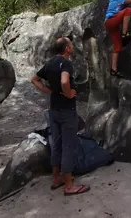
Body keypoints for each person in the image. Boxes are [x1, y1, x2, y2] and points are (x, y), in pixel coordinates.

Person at [31, 37, 90, 196]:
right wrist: (68, 93)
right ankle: (69, 185)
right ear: (67, 49)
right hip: (66, 110)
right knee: (68, 146)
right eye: (70, 44)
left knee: (56, 144)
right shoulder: (66, 63)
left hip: (54, 110)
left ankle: (56, 179)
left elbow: (34, 80)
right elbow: (65, 81)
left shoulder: (50, 63)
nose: (72, 46)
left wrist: (49, 91)